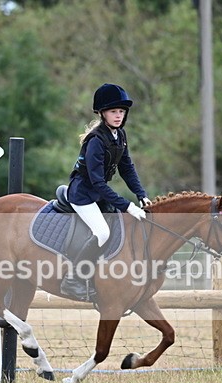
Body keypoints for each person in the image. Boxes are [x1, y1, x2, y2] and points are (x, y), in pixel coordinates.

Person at [60, 83, 151, 301]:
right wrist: (128, 205)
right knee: (102, 233)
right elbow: (98, 183)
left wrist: (141, 195)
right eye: (113, 111)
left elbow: (127, 168)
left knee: (121, 226)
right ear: (102, 113)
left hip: (97, 194)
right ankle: (74, 279)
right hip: (82, 195)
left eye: (121, 111)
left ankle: (105, 276)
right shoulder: (96, 141)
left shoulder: (120, 135)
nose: (118, 115)